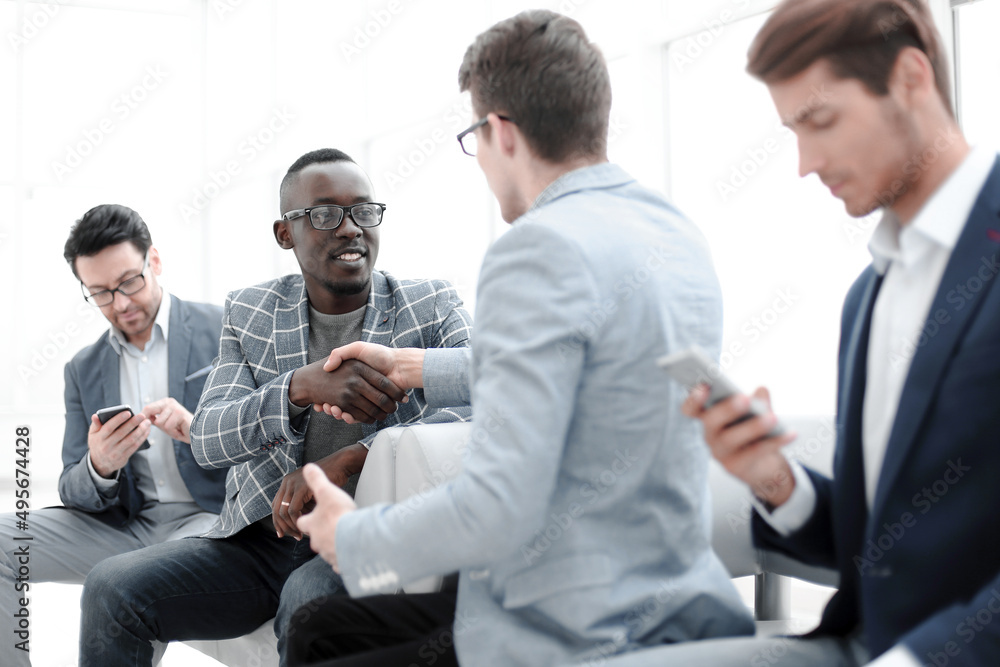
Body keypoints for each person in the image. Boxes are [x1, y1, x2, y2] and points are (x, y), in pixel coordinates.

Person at [288, 10, 755, 666]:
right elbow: (585, 358)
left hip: (569, 626)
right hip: (678, 602)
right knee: (320, 628)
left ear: (499, 131)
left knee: (325, 636)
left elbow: (495, 510)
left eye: (471, 137)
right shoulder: (675, 232)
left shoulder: (535, 249)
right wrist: (409, 366)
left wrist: (357, 537)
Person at [604, 1, 1000, 666]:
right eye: (791, 130)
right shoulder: (868, 296)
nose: (804, 162)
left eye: (819, 121)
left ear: (910, 77)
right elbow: (880, 544)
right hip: (858, 642)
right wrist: (778, 480)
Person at [77, 149, 473, 667]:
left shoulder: (430, 303)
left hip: (361, 532)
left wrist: (354, 458)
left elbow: (485, 404)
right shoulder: (250, 311)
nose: (350, 228)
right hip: (257, 545)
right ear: (286, 233)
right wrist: (296, 388)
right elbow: (211, 438)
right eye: (325, 214)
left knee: (306, 608)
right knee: (111, 588)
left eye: (363, 211)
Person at [0, 204, 227, 666]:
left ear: (155, 262)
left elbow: (271, 438)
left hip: (207, 519)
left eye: (129, 282)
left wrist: (197, 430)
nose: (120, 303)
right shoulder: (82, 368)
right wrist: (100, 467)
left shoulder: (225, 327)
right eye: (100, 293)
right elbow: (72, 485)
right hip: (127, 524)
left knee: (127, 582)